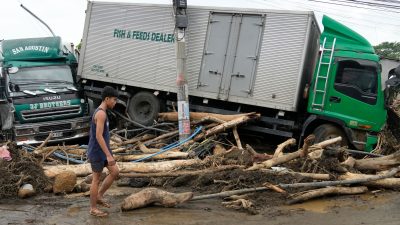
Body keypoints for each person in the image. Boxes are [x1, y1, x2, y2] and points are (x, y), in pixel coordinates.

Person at [88, 86, 119, 217]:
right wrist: (108, 155)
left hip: (103, 151)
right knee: (96, 179)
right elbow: (98, 136)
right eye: (114, 99)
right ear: (107, 99)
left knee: (115, 171)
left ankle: (99, 195)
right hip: (97, 152)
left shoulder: (103, 112)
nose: (115, 102)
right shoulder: (100, 113)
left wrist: (108, 152)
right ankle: (93, 208)